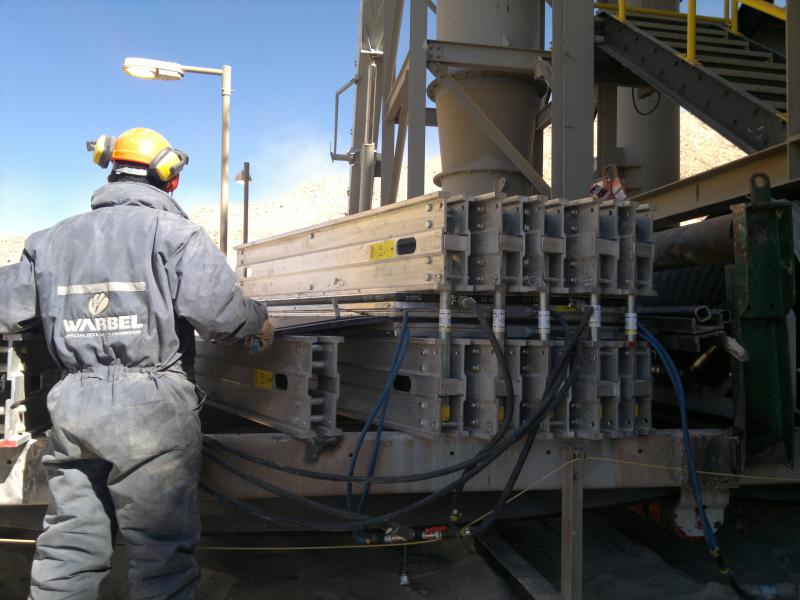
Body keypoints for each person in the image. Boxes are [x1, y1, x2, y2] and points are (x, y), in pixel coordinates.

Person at [0, 127, 273, 599]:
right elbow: (222, 317)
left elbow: (8, 310)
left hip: (74, 406)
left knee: (69, 544)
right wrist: (260, 323)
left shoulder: (49, 240)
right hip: (153, 413)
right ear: (168, 177)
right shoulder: (177, 235)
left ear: (111, 171)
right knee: (160, 555)